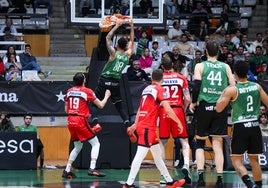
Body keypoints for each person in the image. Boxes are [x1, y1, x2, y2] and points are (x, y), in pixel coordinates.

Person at [122, 69, 186, 188]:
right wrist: (179, 122)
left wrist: (135, 124)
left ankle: (170, 182)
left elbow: (140, 109)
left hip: (143, 125)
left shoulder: (146, 89)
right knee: (139, 156)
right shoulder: (159, 89)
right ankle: (128, 184)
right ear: (162, 79)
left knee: (157, 156)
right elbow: (168, 109)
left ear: (151, 78)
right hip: (147, 127)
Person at [189, 40, 235, 187]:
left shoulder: (200, 66)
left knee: (200, 143)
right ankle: (220, 178)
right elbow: (233, 86)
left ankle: (201, 178)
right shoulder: (226, 66)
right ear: (219, 51)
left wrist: (193, 102)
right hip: (220, 107)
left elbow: (196, 86)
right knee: (217, 143)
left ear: (206, 51)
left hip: (204, 107)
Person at [216, 60, 268, 188]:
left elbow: (218, 108)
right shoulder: (257, 86)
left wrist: (223, 92)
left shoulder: (232, 90)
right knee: (254, 160)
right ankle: (259, 185)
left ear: (235, 74)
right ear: (248, 73)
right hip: (255, 126)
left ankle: (250, 184)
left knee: (236, 161)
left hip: (240, 126)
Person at [62, 72, 111, 179]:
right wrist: (107, 96)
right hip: (80, 120)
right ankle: (92, 168)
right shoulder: (87, 91)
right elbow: (101, 105)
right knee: (96, 144)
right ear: (84, 80)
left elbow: (66, 109)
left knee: (78, 146)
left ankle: (67, 170)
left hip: (70, 121)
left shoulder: (69, 91)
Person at [91, 18, 134, 129]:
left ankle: (95, 123)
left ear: (117, 45)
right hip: (115, 82)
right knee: (119, 106)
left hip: (105, 80)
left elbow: (107, 37)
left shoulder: (113, 53)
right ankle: (128, 125)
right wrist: (132, 26)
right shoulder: (127, 55)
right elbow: (132, 41)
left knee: (93, 103)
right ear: (125, 46)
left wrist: (116, 26)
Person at [159, 56, 192, 184]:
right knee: (184, 141)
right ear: (173, 64)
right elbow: (188, 98)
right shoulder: (181, 78)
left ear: (162, 66)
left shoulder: (158, 78)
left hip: (164, 111)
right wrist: (183, 109)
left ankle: (163, 175)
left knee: (163, 142)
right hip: (178, 110)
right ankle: (186, 166)